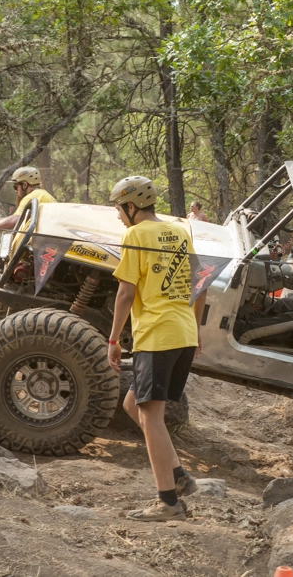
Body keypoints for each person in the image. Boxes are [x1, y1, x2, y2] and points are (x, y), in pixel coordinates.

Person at [106, 175, 205, 522]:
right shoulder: (179, 231)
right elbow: (200, 283)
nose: (119, 216)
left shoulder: (135, 235)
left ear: (131, 206)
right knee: (133, 404)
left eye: (119, 210)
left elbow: (125, 293)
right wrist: (195, 326)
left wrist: (114, 340)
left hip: (157, 334)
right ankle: (179, 478)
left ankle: (168, 502)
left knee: (151, 416)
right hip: (183, 332)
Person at [0, 166, 56, 237]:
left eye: (15, 187)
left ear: (24, 185)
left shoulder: (31, 197)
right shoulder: (43, 194)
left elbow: (15, 220)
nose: (15, 191)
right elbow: (18, 218)